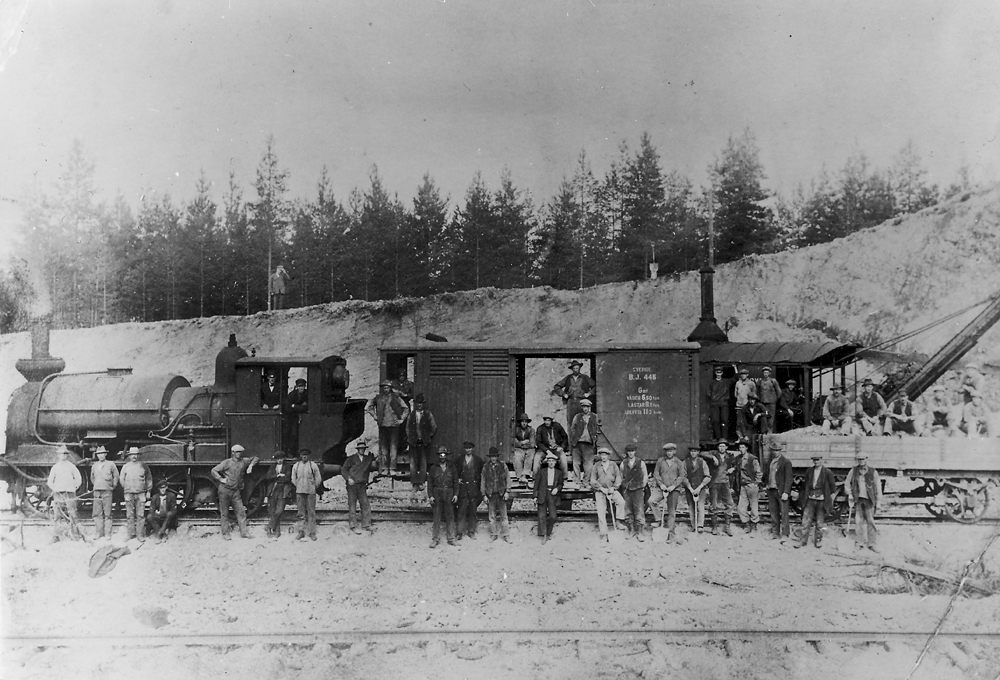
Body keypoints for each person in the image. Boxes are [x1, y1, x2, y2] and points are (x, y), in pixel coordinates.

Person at [210, 444, 260, 540]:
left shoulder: (243, 461)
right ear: (233, 452)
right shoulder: (227, 463)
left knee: (241, 512)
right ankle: (225, 534)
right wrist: (221, 479)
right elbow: (214, 470)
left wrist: (250, 466)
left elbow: (255, 458)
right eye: (237, 452)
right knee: (225, 513)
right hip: (224, 490)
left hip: (235, 492)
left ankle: (244, 533)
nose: (239, 454)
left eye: (240, 452)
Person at [367, 380, 410, 475]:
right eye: (384, 387)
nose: (386, 389)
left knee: (393, 447)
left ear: (390, 388)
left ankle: (393, 468)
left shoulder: (396, 397)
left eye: (387, 387)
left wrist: (401, 419)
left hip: (394, 426)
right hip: (383, 426)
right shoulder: (378, 398)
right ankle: (385, 468)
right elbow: (368, 407)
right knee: (384, 448)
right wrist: (375, 416)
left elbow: (406, 408)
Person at [796, 455, 836, 549]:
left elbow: (832, 487)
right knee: (806, 521)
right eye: (814, 460)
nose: (816, 462)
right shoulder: (809, 471)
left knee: (819, 522)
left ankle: (818, 541)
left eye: (817, 460)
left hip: (821, 500)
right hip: (810, 499)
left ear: (822, 460)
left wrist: (829, 498)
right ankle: (802, 541)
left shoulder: (827, 472)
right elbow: (805, 485)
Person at [844, 453, 882, 551]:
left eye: (863, 459)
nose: (861, 461)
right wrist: (850, 494)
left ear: (866, 459)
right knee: (858, 522)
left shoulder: (873, 472)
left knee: (871, 522)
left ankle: (872, 544)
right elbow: (847, 483)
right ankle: (859, 543)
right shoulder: (853, 471)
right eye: (859, 459)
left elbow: (878, 487)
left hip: (869, 501)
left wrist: (878, 502)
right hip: (859, 500)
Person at [648, 443, 686, 542]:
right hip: (662, 488)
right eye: (667, 451)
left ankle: (671, 534)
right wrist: (661, 485)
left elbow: (682, 476)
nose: (669, 453)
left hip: (674, 490)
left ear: (674, 451)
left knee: (671, 511)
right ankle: (659, 519)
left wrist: (673, 486)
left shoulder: (678, 462)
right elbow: (656, 473)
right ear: (665, 452)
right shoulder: (660, 461)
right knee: (651, 501)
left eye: (671, 451)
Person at [590, 446, 627, 542]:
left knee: (621, 502)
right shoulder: (597, 465)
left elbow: (618, 478)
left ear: (608, 456)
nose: (603, 457)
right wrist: (601, 488)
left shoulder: (613, 465)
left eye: (605, 455)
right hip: (600, 491)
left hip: (611, 489)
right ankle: (603, 534)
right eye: (602, 455)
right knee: (601, 511)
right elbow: (592, 480)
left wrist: (613, 488)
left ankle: (618, 521)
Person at [46, 447, 83, 541]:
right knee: (57, 515)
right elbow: (50, 481)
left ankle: (74, 535)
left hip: (69, 493)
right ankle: (56, 536)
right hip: (58, 494)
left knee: (72, 513)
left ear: (67, 455)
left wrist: (75, 487)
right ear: (58, 455)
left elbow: (78, 478)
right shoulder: (55, 467)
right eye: (62, 454)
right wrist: (55, 489)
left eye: (65, 454)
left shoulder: (71, 466)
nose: (64, 455)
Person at [342, 440, 377, 534]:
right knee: (352, 505)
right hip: (352, 485)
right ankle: (353, 525)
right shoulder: (351, 458)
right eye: (360, 449)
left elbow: (374, 460)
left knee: (365, 505)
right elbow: (344, 469)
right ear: (357, 449)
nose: (362, 450)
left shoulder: (367, 459)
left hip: (362, 485)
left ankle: (366, 525)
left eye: (363, 449)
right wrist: (348, 478)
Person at [119, 446, 152, 541]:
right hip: (129, 494)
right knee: (129, 515)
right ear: (129, 456)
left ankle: (140, 535)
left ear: (138, 456)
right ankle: (131, 534)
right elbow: (122, 479)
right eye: (132, 455)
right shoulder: (125, 466)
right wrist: (126, 488)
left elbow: (149, 479)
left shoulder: (143, 466)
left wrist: (148, 491)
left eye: (136, 455)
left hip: (141, 494)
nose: (134, 456)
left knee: (140, 515)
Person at [405, 394, 437, 491]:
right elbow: (407, 428)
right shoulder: (411, 414)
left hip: (424, 442)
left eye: (421, 403)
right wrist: (410, 437)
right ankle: (414, 483)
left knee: (423, 462)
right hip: (413, 442)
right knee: (413, 463)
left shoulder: (428, 414)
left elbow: (434, 427)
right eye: (417, 403)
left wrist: (428, 436)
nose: (419, 405)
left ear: (423, 404)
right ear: (415, 404)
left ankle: (421, 482)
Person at [427, 446, 457, 548]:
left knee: (450, 516)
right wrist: (430, 496)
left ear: (446, 456)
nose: (442, 457)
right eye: (441, 455)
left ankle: (451, 538)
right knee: (436, 517)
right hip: (437, 493)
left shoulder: (452, 467)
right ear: (438, 456)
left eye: (444, 455)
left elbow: (456, 482)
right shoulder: (433, 468)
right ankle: (435, 539)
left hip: (449, 492)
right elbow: (430, 483)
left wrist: (456, 494)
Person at [552, 359, 595, 431]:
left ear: (579, 368)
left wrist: (589, 393)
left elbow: (595, 386)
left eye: (577, 368)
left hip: (582, 402)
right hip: (571, 402)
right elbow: (557, 387)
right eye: (574, 368)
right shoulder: (568, 378)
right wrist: (563, 394)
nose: (576, 370)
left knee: (583, 421)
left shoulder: (585, 377)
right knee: (571, 422)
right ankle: (571, 441)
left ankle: (582, 441)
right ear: (572, 369)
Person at [481, 446, 511, 542]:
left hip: (501, 494)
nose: (493, 458)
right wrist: (484, 495)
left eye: (495, 456)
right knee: (492, 516)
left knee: (504, 516)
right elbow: (483, 481)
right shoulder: (486, 467)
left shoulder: (503, 465)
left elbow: (508, 479)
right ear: (489, 457)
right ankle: (494, 534)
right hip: (491, 495)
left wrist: (507, 492)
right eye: (491, 456)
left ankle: (506, 535)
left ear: (497, 457)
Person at [705, 440, 735, 536]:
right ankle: (714, 527)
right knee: (713, 505)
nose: (722, 448)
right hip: (714, 483)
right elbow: (702, 453)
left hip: (725, 483)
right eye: (720, 446)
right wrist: (713, 457)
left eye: (723, 446)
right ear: (718, 447)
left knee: (730, 504)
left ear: (726, 447)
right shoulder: (714, 454)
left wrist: (733, 468)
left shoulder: (730, 456)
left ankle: (727, 527)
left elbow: (737, 464)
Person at [291, 448, 322, 540]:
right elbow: (293, 478)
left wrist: (313, 487)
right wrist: (299, 486)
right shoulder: (296, 466)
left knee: (311, 512)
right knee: (301, 512)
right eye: (303, 455)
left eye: (306, 455)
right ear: (300, 456)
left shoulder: (313, 465)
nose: (304, 456)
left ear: (308, 456)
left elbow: (318, 478)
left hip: (310, 492)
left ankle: (312, 532)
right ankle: (301, 531)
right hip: (300, 492)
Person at [455, 441, 483, 540]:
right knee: (461, 511)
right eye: (466, 448)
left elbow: (481, 475)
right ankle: (459, 532)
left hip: (473, 489)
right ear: (464, 449)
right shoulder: (459, 460)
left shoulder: (478, 460)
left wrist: (478, 487)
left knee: (473, 511)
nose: (468, 450)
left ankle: (471, 532)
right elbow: (455, 473)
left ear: (472, 449)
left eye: (470, 448)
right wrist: (457, 479)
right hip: (463, 489)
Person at [619, 444, 648, 542]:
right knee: (628, 510)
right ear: (627, 452)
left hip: (638, 489)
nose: (631, 453)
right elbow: (621, 476)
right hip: (627, 490)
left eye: (632, 451)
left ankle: (640, 532)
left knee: (639, 510)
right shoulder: (623, 463)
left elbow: (645, 475)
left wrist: (642, 485)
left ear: (635, 452)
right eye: (629, 451)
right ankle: (631, 530)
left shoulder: (641, 462)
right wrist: (624, 485)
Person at [266, 449, 298, 538]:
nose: (279, 460)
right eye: (278, 459)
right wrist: (278, 476)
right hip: (273, 490)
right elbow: (267, 477)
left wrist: (278, 478)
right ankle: (277, 532)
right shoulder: (273, 466)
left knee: (279, 511)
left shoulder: (287, 467)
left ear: (283, 459)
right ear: (276, 459)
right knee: (272, 511)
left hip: (283, 490)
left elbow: (288, 478)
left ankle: (269, 527)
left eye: (281, 458)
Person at [765, 441, 793, 539]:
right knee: (773, 513)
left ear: (780, 451)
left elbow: (789, 479)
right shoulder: (770, 462)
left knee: (784, 514)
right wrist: (766, 485)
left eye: (777, 450)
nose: (776, 452)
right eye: (774, 450)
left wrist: (786, 492)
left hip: (781, 491)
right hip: (771, 490)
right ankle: (775, 533)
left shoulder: (786, 462)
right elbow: (768, 474)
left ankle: (785, 534)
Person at [533, 451, 563, 543]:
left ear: (555, 462)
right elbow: (536, 484)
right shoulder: (542, 472)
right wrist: (535, 496)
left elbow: (561, 484)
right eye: (549, 461)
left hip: (552, 495)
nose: (551, 463)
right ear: (547, 462)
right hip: (542, 493)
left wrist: (557, 489)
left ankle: (549, 532)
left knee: (553, 516)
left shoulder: (559, 473)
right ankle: (544, 535)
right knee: (541, 515)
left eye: (553, 461)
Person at [90, 445, 118, 540]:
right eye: (99, 454)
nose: (101, 455)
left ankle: (107, 534)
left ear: (105, 454)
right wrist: (97, 485)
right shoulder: (94, 465)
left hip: (107, 491)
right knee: (97, 513)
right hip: (97, 492)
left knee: (107, 513)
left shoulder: (111, 464)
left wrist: (112, 486)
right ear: (97, 455)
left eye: (102, 453)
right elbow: (92, 478)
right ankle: (99, 533)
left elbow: (116, 476)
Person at [568, 398, 599, 488]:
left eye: (587, 407)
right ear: (582, 408)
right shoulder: (577, 417)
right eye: (584, 407)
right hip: (577, 444)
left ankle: (586, 482)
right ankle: (577, 482)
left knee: (588, 465)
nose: (585, 408)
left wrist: (595, 438)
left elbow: (597, 428)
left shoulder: (594, 417)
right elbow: (572, 428)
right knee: (576, 463)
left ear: (590, 407)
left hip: (588, 444)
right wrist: (574, 438)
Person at [733, 440, 762, 533]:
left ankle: (754, 524)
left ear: (746, 448)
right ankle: (746, 524)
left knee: (754, 506)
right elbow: (736, 468)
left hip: (751, 485)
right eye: (740, 447)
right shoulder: (738, 458)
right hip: (743, 485)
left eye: (743, 447)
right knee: (741, 507)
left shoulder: (752, 458)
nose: (741, 449)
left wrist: (756, 483)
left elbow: (758, 472)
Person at [683, 449, 710, 533]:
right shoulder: (685, 462)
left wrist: (699, 487)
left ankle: (700, 525)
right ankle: (693, 525)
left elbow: (708, 477)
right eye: (691, 451)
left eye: (695, 451)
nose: (693, 453)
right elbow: (683, 477)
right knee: (691, 506)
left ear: (698, 452)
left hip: (700, 488)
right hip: (689, 488)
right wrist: (690, 488)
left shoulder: (702, 462)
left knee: (700, 506)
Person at [706, 366, 733, 440]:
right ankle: (718, 437)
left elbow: (735, 378)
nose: (719, 374)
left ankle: (724, 438)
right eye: (717, 372)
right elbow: (708, 392)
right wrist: (713, 398)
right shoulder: (712, 382)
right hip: (715, 404)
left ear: (722, 373)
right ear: (715, 373)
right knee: (715, 420)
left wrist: (735, 367)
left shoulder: (726, 382)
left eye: (720, 372)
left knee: (724, 420)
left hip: (724, 403)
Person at [285, 378, 309, 453]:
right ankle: (292, 451)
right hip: (292, 418)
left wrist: (294, 406)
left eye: (303, 386)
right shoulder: (292, 395)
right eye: (300, 386)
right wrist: (300, 407)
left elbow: (306, 407)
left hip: (304, 418)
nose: (301, 388)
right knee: (293, 434)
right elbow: (287, 407)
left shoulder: (307, 394)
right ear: (297, 387)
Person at [756, 367, 782, 435]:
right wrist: (759, 399)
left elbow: (779, 392)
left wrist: (775, 399)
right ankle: (764, 432)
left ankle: (770, 431)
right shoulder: (760, 381)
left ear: (769, 373)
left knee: (771, 417)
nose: (766, 374)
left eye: (767, 373)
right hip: (763, 402)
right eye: (764, 373)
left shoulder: (773, 381)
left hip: (771, 403)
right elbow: (757, 391)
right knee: (764, 417)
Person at [734, 368, 758, 439]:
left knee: (746, 422)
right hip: (739, 405)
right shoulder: (738, 383)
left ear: (747, 375)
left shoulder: (751, 383)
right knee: (739, 422)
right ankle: (740, 437)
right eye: (742, 374)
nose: (743, 376)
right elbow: (735, 394)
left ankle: (747, 437)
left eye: (744, 374)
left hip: (747, 406)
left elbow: (754, 394)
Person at [512, 414, 535, 483]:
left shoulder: (531, 430)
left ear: (527, 422)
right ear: (520, 422)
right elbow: (513, 441)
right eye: (522, 421)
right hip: (520, 449)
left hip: (529, 449)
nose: (524, 423)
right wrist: (523, 442)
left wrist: (520, 443)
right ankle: (520, 476)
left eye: (525, 421)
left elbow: (532, 443)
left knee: (530, 456)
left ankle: (525, 475)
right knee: (517, 456)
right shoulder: (516, 430)